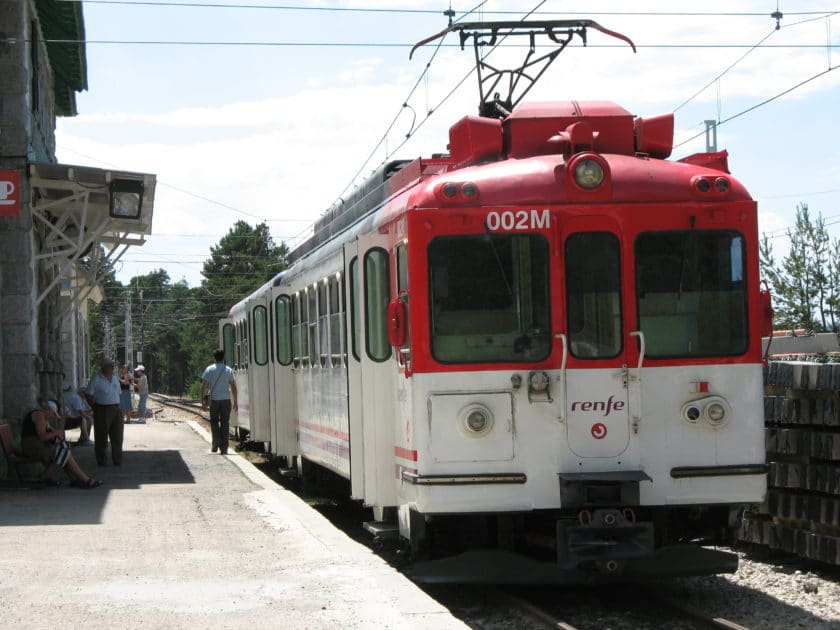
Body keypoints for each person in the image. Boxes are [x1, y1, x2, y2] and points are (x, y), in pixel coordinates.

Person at [20, 396, 102, 488]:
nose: (53, 416)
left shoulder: (44, 417)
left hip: (38, 445)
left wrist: (62, 432)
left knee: (64, 451)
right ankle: (84, 480)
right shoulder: (40, 415)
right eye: (53, 414)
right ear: (48, 410)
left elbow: (53, 432)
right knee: (65, 452)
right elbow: (43, 437)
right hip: (32, 446)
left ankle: (74, 479)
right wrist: (57, 433)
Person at [86, 357, 124, 466]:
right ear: (104, 367)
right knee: (101, 436)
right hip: (102, 409)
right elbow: (88, 394)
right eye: (110, 365)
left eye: (113, 365)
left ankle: (117, 459)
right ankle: (101, 460)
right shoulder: (96, 379)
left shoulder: (115, 378)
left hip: (116, 409)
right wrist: (94, 406)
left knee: (117, 435)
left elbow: (118, 393)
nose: (113, 367)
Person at [200, 349, 238, 455]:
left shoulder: (209, 369)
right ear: (223, 357)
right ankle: (224, 448)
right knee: (225, 423)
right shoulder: (228, 370)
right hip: (226, 400)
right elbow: (234, 387)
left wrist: (202, 401)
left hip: (214, 401)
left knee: (214, 422)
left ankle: (215, 443)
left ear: (214, 357)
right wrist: (235, 401)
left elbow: (204, 386)